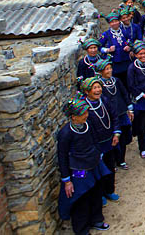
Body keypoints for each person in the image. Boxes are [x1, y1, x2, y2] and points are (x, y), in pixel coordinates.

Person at [57, 97, 111, 234]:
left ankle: (96, 220)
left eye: (86, 112)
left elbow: (95, 141)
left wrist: (98, 155)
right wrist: (67, 180)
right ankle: (82, 230)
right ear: (73, 117)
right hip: (79, 170)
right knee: (82, 200)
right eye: (83, 114)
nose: (86, 115)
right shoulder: (65, 134)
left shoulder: (88, 125)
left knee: (96, 194)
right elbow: (62, 157)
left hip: (94, 165)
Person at [79, 77, 120, 205]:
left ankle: (109, 190)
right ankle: (100, 194)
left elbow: (114, 116)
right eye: (95, 88)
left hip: (109, 141)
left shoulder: (104, 101)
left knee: (110, 167)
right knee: (98, 171)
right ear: (87, 91)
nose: (98, 90)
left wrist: (116, 133)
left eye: (99, 87)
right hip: (95, 145)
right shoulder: (84, 107)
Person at [94, 58, 133, 171]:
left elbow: (124, 94)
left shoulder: (116, 81)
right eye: (106, 69)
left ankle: (121, 160)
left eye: (110, 68)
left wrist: (130, 108)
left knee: (123, 137)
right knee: (113, 139)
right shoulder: (99, 86)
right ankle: (114, 161)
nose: (109, 71)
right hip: (110, 118)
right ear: (101, 71)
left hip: (121, 113)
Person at [99, 11, 136, 87]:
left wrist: (129, 47)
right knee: (117, 82)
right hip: (114, 62)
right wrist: (108, 50)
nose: (114, 23)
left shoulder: (124, 32)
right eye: (112, 22)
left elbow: (130, 41)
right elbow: (99, 47)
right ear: (109, 24)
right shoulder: (106, 34)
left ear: (119, 21)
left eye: (116, 21)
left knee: (128, 79)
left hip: (126, 61)